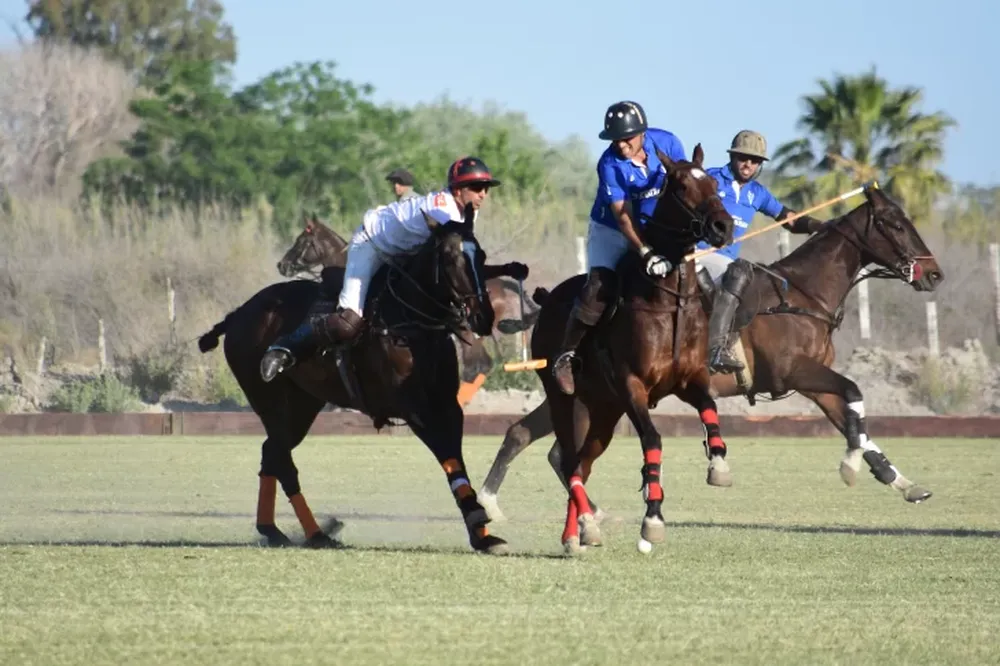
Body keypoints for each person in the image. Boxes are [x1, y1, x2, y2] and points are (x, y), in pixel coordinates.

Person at [260, 157, 502, 382]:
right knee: (349, 320)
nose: (483, 194)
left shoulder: (469, 211)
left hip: (405, 249)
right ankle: (286, 346)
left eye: (486, 188)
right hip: (372, 242)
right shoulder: (445, 211)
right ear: (458, 190)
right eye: (477, 188)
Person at [550, 100, 687, 396]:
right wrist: (647, 253)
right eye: (615, 140)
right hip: (611, 229)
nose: (621, 145)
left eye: (627, 139)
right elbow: (623, 217)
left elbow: (683, 187)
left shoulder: (669, 143)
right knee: (599, 287)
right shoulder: (609, 163)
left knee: (692, 277)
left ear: (642, 133)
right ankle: (567, 355)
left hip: (653, 225)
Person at [700, 130, 825, 375]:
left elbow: (789, 219)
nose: (748, 164)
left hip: (725, 262)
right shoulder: (712, 179)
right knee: (741, 272)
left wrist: (821, 226)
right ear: (733, 157)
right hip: (699, 253)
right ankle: (715, 349)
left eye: (755, 160)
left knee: (758, 283)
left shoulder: (757, 193)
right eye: (743, 158)